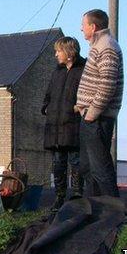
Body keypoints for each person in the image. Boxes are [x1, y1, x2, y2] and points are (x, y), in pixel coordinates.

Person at [75, 9, 124, 197]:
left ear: (93, 27)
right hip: (90, 117)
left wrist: (92, 113)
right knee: (88, 167)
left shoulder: (107, 47)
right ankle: (96, 210)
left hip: (98, 118)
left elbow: (107, 84)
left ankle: (113, 212)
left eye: (83, 24)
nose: (81, 28)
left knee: (100, 168)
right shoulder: (99, 45)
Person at [42, 37, 85, 211]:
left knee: (75, 161)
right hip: (55, 124)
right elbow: (49, 93)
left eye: (58, 51)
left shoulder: (84, 68)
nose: (56, 54)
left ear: (69, 52)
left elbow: (88, 92)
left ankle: (77, 195)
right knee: (58, 163)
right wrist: (46, 107)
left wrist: (78, 107)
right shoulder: (57, 71)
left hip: (74, 123)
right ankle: (59, 197)